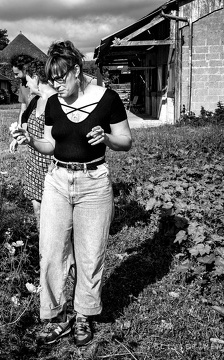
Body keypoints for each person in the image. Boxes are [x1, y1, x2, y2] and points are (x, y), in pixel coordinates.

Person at [11, 40, 133, 347]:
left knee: (90, 253)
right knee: (51, 251)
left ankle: (82, 315)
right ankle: (58, 316)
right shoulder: (53, 104)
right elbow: (51, 145)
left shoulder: (107, 100)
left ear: (77, 72)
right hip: (57, 179)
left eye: (60, 78)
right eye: (51, 79)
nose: (56, 84)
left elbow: (125, 140)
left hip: (94, 182)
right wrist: (30, 139)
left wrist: (106, 137)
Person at [9, 59, 56, 230]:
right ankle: (41, 242)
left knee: (53, 210)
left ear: (36, 77)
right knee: (37, 206)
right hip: (34, 160)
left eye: (28, 80)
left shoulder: (56, 102)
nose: (26, 84)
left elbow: (59, 138)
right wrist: (18, 136)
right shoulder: (36, 100)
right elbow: (26, 122)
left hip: (51, 163)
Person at [10, 54, 35, 126]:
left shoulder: (40, 85)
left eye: (17, 74)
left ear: (25, 70)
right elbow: (23, 109)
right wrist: (19, 126)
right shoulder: (22, 85)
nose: (15, 77)